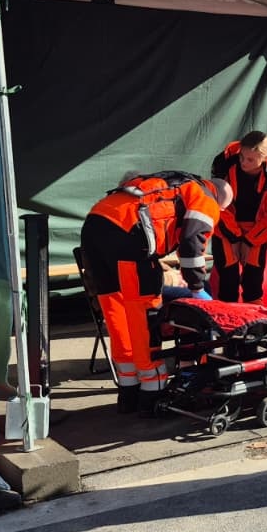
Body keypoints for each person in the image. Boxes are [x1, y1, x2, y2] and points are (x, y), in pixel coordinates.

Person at [80, 170, 232, 412]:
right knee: (143, 313)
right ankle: (152, 395)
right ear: (221, 206)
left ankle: (128, 393)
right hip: (129, 237)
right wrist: (196, 287)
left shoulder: (177, 185)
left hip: (95, 225)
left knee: (116, 311)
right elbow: (192, 242)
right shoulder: (206, 200)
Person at [210, 130, 267, 304]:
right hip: (226, 225)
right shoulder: (224, 161)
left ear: (264, 158)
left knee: (253, 281)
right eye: (242, 157)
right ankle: (226, 318)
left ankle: (254, 318)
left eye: (250, 160)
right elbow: (218, 203)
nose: (243, 162)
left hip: (256, 229)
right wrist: (235, 237)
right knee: (228, 280)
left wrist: (249, 241)